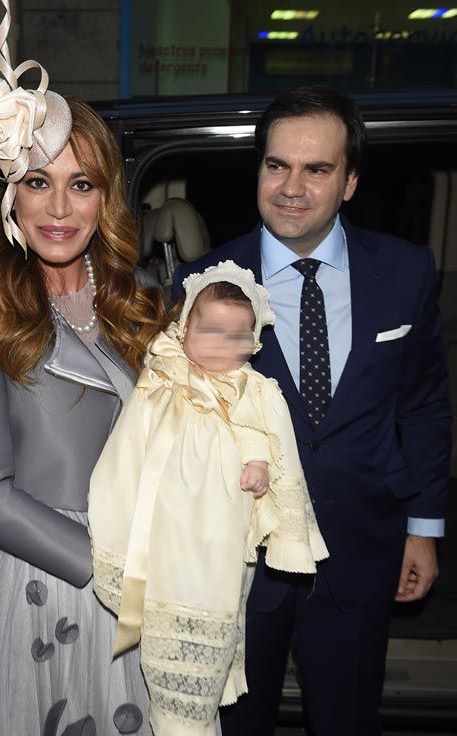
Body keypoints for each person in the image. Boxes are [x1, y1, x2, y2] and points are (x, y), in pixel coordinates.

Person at [173, 86, 452, 736]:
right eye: (277, 166)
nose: (292, 187)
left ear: (350, 181)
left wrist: (425, 529)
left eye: (316, 169)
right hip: (238, 567)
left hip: (360, 550)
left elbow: (425, 406)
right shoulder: (206, 283)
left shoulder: (407, 273)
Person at [0, 2, 166, 734]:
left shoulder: (142, 304)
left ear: (107, 198)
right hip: (44, 577)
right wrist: (116, 569)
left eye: (82, 184)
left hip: (151, 580)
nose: (59, 208)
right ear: (8, 192)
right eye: (37, 182)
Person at [88, 260, 328, 736]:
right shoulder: (161, 378)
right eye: (209, 330)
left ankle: (188, 712)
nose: (221, 345)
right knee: (163, 612)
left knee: (212, 606)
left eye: (235, 335)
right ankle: (170, 710)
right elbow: (129, 446)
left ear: (253, 342)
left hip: (217, 532)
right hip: (166, 525)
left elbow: (264, 437)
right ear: (183, 327)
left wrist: (259, 467)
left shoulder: (253, 390)